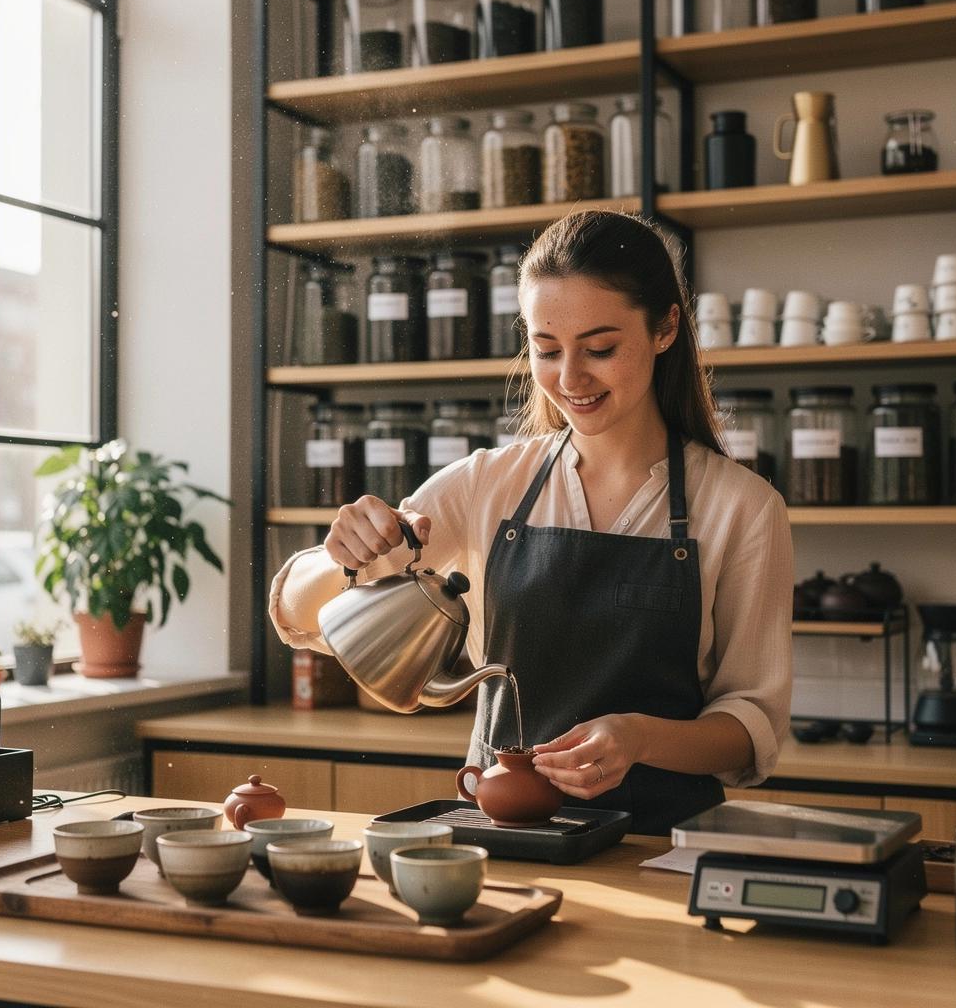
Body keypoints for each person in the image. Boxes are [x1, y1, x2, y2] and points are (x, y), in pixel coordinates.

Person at [270, 210, 793, 835]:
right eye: (547, 350)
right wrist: (340, 556)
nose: (570, 379)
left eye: (601, 349)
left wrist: (638, 738)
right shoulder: (487, 485)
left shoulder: (741, 507)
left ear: (666, 328)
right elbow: (302, 618)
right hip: (505, 843)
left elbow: (749, 728)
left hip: (663, 851)